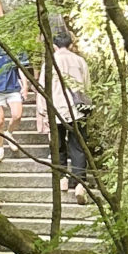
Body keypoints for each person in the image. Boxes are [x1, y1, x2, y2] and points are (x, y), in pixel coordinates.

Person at [47, 18, 93, 202]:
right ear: (71, 45)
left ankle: (62, 179)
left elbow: (43, 87)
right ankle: (80, 183)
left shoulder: (50, 62)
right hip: (78, 110)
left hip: (56, 109)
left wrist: (42, 112)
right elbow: (87, 86)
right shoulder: (80, 61)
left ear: (54, 46)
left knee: (58, 146)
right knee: (78, 146)